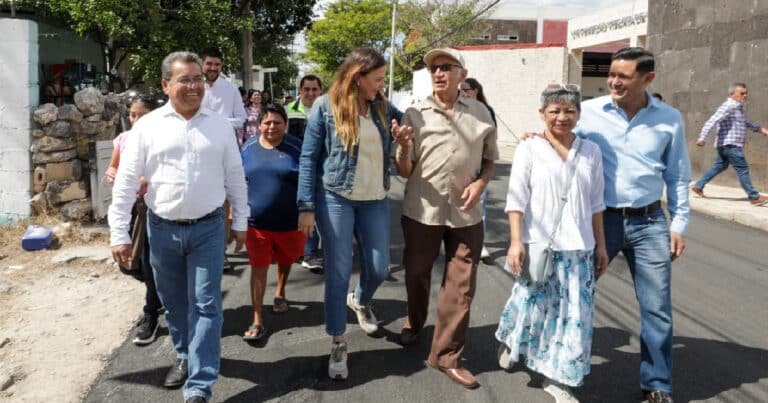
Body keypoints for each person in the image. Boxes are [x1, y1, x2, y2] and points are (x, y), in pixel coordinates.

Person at [108, 51, 248, 403]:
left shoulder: (219, 126)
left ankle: (199, 385)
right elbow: (126, 182)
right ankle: (186, 354)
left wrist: (241, 220)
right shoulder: (148, 126)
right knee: (173, 303)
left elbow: (235, 177)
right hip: (162, 230)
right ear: (165, 84)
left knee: (206, 304)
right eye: (185, 79)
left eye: (198, 78)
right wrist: (118, 233)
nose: (194, 86)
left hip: (209, 229)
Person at [574, 47, 691, 403]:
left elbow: (678, 174)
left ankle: (657, 384)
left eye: (623, 76)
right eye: (612, 74)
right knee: (576, 294)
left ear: (647, 78)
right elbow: (559, 139)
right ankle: (561, 365)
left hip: (650, 222)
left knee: (656, 308)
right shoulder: (589, 113)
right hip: (599, 221)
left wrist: (679, 223)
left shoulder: (669, 119)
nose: (613, 81)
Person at [297, 48, 409, 381]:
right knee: (338, 270)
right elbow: (308, 158)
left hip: (374, 198)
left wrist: (405, 136)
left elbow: (414, 121)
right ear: (357, 77)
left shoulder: (383, 107)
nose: (381, 85)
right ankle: (337, 341)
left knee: (377, 268)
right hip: (335, 198)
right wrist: (306, 207)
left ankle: (359, 300)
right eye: (376, 79)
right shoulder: (324, 107)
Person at [496, 84, 608, 402]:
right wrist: (515, 242)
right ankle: (512, 339)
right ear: (542, 113)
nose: (562, 117)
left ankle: (558, 378)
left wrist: (601, 246)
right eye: (555, 110)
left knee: (574, 318)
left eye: (569, 110)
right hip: (538, 245)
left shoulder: (591, 151)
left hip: (580, 249)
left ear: (579, 114)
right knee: (528, 305)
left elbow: (597, 203)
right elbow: (516, 198)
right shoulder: (529, 148)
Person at [395, 48, 498, 389]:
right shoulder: (415, 113)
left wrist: (481, 184)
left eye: (445, 67)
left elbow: (489, 161)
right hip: (422, 211)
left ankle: (447, 356)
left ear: (461, 73)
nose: (438, 73)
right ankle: (415, 320)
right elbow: (404, 169)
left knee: (462, 285)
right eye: (433, 69)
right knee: (417, 272)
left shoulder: (481, 112)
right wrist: (403, 147)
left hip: (467, 214)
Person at [240, 103, 305, 341]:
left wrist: (311, 211)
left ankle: (280, 290)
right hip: (256, 225)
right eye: (266, 122)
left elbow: (309, 180)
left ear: (285, 125)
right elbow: (236, 181)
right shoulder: (246, 148)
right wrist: (232, 215)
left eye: (277, 122)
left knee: (287, 259)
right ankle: (257, 318)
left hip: (291, 224)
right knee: (258, 268)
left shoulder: (297, 147)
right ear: (259, 125)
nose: (271, 127)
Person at [105, 94, 163, 346]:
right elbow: (113, 167)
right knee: (129, 263)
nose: (137, 119)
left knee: (150, 263)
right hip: (130, 207)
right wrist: (113, 174)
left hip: (153, 207)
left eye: (143, 114)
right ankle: (158, 295)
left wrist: (145, 180)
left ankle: (150, 311)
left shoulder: (162, 139)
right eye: (133, 114)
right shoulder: (124, 139)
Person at [690, 82, 768, 205]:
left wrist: (760, 129)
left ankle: (698, 186)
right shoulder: (729, 106)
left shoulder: (736, 107)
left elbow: (743, 122)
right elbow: (713, 120)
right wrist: (702, 137)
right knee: (742, 169)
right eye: (742, 93)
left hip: (725, 144)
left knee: (719, 166)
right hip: (731, 144)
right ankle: (754, 197)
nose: (745, 95)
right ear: (732, 94)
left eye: (746, 93)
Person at [286, 75, 325, 272]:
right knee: (300, 211)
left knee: (317, 211)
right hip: (294, 168)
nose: (310, 93)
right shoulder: (289, 111)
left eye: (314, 89)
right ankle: (302, 251)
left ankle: (311, 253)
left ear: (320, 91)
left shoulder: (328, 111)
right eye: (306, 89)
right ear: (300, 90)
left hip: (321, 169)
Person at [460, 77, 496, 263]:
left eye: (467, 89)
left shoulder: (486, 110)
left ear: (476, 90)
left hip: (480, 164)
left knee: (479, 204)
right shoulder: (458, 107)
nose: (464, 92)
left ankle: (480, 245)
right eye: (462, 89)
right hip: (461, 164)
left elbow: (491, 138)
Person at [200, 47, 247, 131]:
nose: (213, 68)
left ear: (221, 66)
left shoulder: (231, 89)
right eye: (209, 64)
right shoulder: (192, 87)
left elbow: (242, 120)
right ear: (201, 64)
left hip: (225, 141)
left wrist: (217, 122)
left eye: (217, 64)